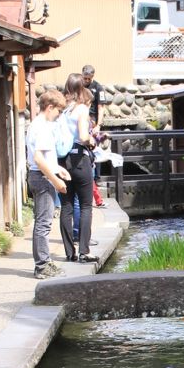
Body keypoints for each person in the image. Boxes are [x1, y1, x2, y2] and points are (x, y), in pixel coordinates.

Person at [26, 89, 70, 280]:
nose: (59, 116)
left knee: (42, 222)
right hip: (42, 178)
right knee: (43, 223)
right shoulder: (42, 127)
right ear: (50, 107)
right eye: (58, 112)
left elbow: (43, 157)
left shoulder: (36, 125)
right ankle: (42, 266)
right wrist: (56, 180)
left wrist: (57, 168)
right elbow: (38, 159)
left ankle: (43, 263)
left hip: (39, 175)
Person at [58, 73, 98, 263]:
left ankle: (69, 253)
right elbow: (83, 136)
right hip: (79, 160)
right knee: (85, 206)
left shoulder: (62, 110)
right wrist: (92, 141)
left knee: (66, 206)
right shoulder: (81, 109)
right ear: (82, 88)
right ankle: (84, 251)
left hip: (62, 161)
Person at [82, 64, 107, 208]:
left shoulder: (98, 87)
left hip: (92, 120)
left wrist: (98, 125)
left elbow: (101, 107)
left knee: (94, 151)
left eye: (88, 78)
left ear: (92, 77)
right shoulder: (79, 85)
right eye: (84, 78)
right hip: (82, 119)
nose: (86, 80)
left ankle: (96, 177)